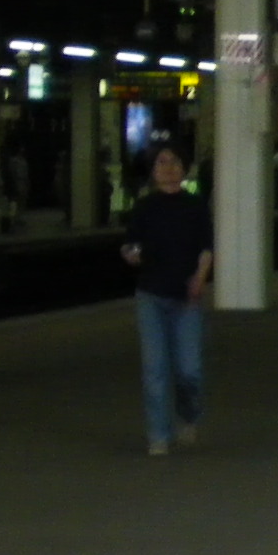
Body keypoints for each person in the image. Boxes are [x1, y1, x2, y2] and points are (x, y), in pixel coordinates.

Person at [120, 146, 213, 456]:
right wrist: (130, 254)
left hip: (187, 298)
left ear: (184, 169)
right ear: (153, 170)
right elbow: (130, 244)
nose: (169, 167)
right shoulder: (144, 207)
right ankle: (159, 435)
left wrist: (200, 278)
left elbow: (206, 248)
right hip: (151, 296)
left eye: (174, 162)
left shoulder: (195, 205)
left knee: (190, 369)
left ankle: (189, 416)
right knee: (155, 370)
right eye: (161, 162)